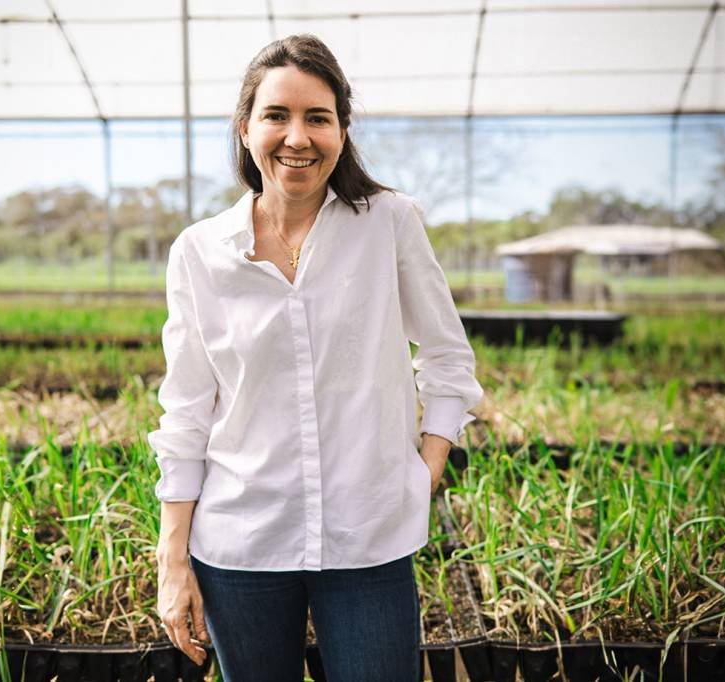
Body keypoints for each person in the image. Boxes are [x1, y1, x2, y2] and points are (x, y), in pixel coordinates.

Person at [148, 34, 484, 682]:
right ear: (245, 128)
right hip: (239, 541)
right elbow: (186, 409)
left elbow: (446, 357)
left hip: (370, 538)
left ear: (343, 129)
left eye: (318, 117)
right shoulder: (199, 252)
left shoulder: (389, 223)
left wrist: (425, 472)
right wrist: (173, 558)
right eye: (277, 115)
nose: (296, 137)